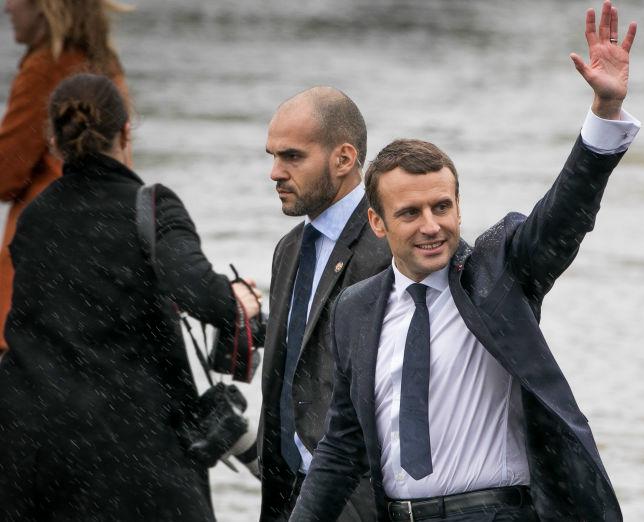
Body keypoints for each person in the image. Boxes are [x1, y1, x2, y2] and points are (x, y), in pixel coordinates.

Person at [290, 2, 639, 520]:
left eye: (442, 206)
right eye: (410, 212)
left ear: (458, 206)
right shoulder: (356, 310)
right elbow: (342, 447)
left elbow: (562, 216)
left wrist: (604, 112)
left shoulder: (499, 272)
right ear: (378, 223)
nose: (432, 225)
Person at [0, 73, 262, 521]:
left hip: (31, 448)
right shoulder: (150, 205)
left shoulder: (35, 218)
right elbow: (202, 293)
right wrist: (239, 296)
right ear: (125, 132)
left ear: (53, 140)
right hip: (133, 449)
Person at [259, 86, 391, 521]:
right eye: (273, 156)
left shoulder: (391, 246)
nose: (275, 172)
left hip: (358, 498)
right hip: (287, 494)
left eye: (292, 157)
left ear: (344, 158)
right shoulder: (289, 248)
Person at [0, 0, 131, 352]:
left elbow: (5, 176)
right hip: (99, 261)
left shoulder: (47, 65)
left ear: (47, 7)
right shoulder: (105, 64)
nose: (8, 7)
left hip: (38, 263)